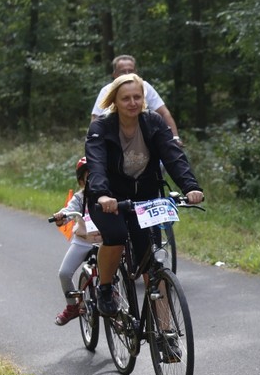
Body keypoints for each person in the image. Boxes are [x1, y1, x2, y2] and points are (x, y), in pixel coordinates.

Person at [85, 73, 204, 317]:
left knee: (150, 259)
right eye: (125, 98)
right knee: (116, 235)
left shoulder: (154, 123)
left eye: (137, 97)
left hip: (144, 197)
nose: (132, 102)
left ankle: (165, 329)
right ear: (114, 101)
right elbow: (96, 164)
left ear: (144, 99)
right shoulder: (101, 127)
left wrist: (191, 187)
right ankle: (105, 288)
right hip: (109, 199)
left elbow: (173, 156)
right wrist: (102, 195)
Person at [51, 157, 103, 325]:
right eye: (89, 176)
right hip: (83, 240)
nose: (93, 180)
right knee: (64, 273)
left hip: (105, 241)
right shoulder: (80, 198)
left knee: (115, 269)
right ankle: (72, 307)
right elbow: (69, 211)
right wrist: (61, 217)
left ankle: (113, 293)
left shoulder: (109, 194)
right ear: (82, 181)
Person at [90, 54, 182, 144]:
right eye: (123, 71)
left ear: (136, 72)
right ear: (115, 74)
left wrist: (175, 138)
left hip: (146, 141)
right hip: (113, 142)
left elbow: (163, 113)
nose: (127, 74)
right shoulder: (106, 90)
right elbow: (96, 118)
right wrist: (93, 142)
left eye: (130, 71)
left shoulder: (145, 87)